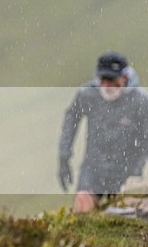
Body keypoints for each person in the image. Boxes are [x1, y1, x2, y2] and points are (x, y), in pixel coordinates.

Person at [58, 52, 148, 212]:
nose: (107, 86)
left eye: (112, 81)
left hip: (127, 171)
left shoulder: (140, 101)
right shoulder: (88, 95)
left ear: (124, 77)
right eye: (103, 81)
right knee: (83, 211)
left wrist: (135, 170)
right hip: (93, 168)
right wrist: (64, 156)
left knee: (127, 215)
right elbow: (71, 118)